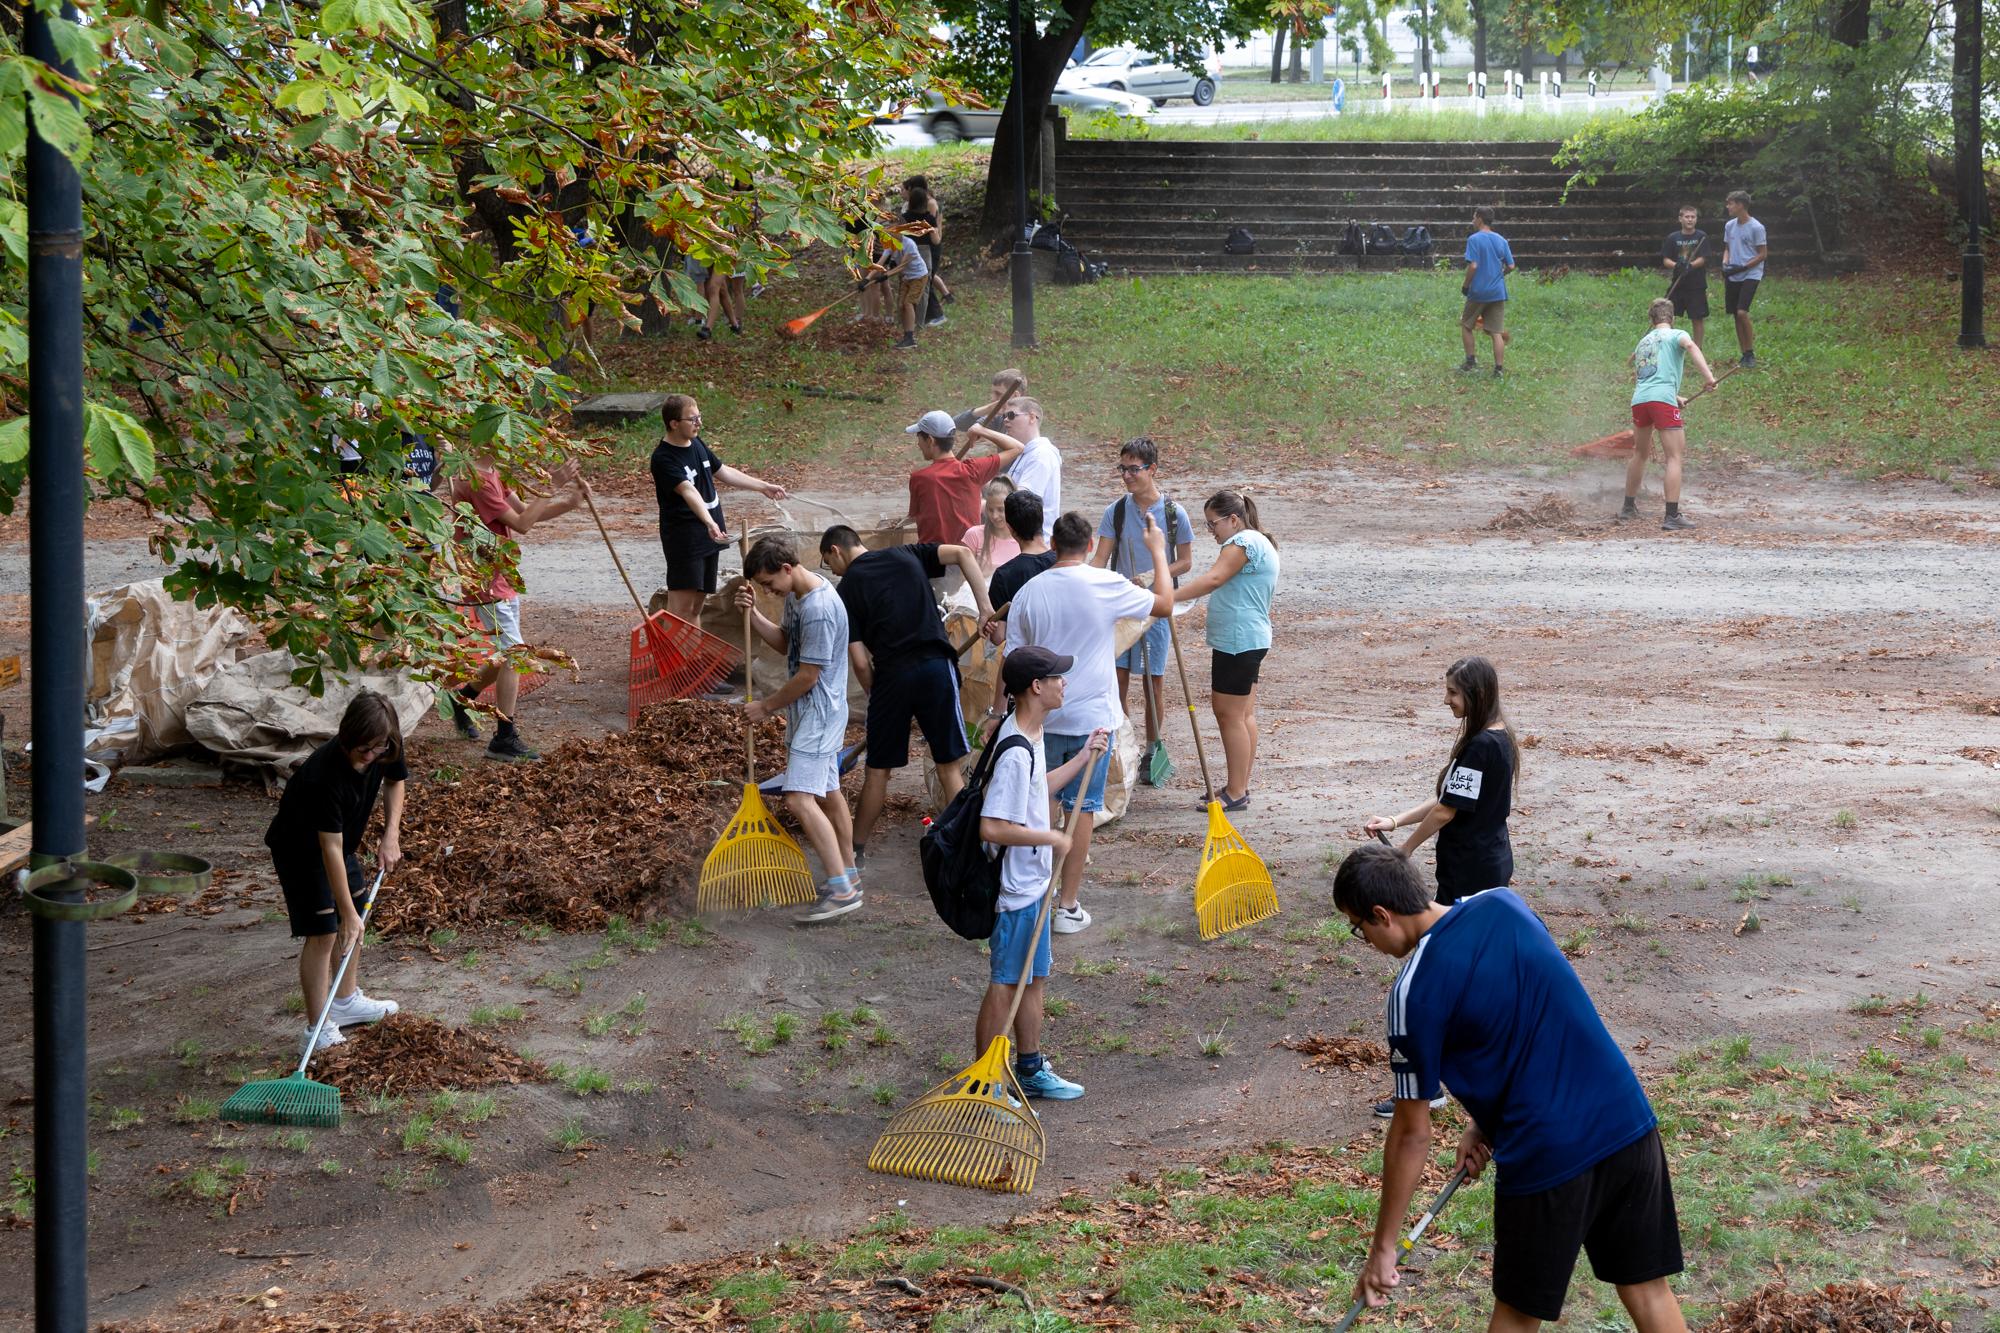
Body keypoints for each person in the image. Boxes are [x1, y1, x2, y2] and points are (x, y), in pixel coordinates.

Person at [1336, 844, 1687, 1333]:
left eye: (1358, 927)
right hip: (1626, 1122)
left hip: (1549, 1154)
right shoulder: (1505, 903)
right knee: (1648, 1290)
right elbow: (1529, 1014)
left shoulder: (1412, 993)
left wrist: (1382, 1249)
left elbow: (1412, 1133)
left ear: (1382, 914)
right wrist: (1485, 1121)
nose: (1364, 938)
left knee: (1518, 1318)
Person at [1005, 511, 1173, 934]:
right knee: (1081, 812)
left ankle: (1034, 896)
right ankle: (1068, 906)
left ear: (1052, 545)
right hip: (1092, 722)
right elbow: (1165, 605)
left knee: (1041, 803)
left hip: (1040, 717)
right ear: (1092, 547)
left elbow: (1013, 659)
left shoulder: (1028, 591)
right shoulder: (1106, 584)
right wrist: (1156, 550)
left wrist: (1000, 714)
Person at [977, 646, 1110, 1101]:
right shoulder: (1014, 748)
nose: (1064, 683)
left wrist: (1082, 759)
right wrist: (1051, 839)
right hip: (1015, 890)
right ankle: (984, 1085)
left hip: (1034, 885)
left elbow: (1037, 788)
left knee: (1033, 978)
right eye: (1058, 677)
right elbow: (992, 826)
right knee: (1006, 982)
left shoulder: (1030, 732)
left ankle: (1030, 1068)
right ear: (1037, 686)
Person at [821, 526, 994, 873]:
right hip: (935, 667)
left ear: (836, 550)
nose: (834, 572)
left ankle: (855, 853)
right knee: (948, 766)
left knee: (878, 771)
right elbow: (962, 554)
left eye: (829, 564)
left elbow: (859, 661)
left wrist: (880, 699)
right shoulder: (907, 553)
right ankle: (963, 851)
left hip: (890, 676)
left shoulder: (846, 590)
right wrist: (986, 608)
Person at [265, 692, 407, 1055]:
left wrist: (390, 836)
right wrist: (344, 915)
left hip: (339, 842)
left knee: (358, 911)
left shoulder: (385, 743)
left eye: (379, 747)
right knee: (326, 932)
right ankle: (316, 1030)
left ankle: (344, 1002)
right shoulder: (322, 777)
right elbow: (326, 849)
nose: (372, 755)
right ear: (347, 734)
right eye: (364, 748)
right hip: (300, 847)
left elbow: (395, 781)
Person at [737, 535, 862, 923]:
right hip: (814, 713)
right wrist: (755, 614)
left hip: (818, 715)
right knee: (827, 792)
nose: (767, 589)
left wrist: (767, 707)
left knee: (797, 799)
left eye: (768, 582)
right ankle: (851, 877)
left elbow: (808, 675)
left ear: (787, 569)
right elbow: (787, 645)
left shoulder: (820, 609)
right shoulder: (798, 598)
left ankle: (841, 891)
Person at [445, 454, 586, 762]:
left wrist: (569, 504)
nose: (515, 444)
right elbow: (521, 524)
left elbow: (526, 513)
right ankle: (504, 738)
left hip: (502, 575)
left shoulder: (494, 472)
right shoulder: (476, 480)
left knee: (506, 653)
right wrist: (552, 484)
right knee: (514, 653)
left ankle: (462, 698)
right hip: (485, 579)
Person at [1170, 490, 1278, 809]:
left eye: (1212, 524)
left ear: (1233, 520)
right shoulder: (1258, 541)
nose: (1211, 531)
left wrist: (1166, 597)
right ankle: (1238, 784)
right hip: (1248, 637)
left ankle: (1236, 793)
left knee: (1228, 714)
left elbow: (1214, 578)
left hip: (1238, 639)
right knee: (1243, 715)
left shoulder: (1242, 542)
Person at [1089, 438, 1194, 754]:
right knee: (1117, 681)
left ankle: (1151, 750)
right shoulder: (1117, 511)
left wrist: (1150, 576)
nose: (1126, 475)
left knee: (1153, 684)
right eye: (1123, 468)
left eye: (1134, 469)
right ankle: (1121, 745)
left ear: (1153, 469)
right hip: (1120, 608)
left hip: (1157, 608)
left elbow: (1186, 562)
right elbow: (1100, 559)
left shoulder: (1174, 513)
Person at [650, 395, 789, 627]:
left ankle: (691, 663)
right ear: (674, 423)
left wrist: (763, 486)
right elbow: (689, 491)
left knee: (696, 609)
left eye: (699, 417)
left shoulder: (696, 443)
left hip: (709, 537)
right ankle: (672, 663)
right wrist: (708, 521)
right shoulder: (663, 458)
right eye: (693, 419)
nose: (699, 423)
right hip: (686, 540)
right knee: (679, 613)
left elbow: (723, 471)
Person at [1617, 298, 1718, 531]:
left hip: (1640, 400)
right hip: (1661, 400)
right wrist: (1708, 377)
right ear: (1672, 319)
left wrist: (1675, 397)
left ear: (1651, 320)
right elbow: (1692, 347)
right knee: (1674, 458)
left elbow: (1644, 376)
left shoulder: (1643, 342)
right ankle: (1672, 516)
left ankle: (1628, 508)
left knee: (1640, 454)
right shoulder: (1676, 334)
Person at [905, 409, 1023, 546]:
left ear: (930, 440)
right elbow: (1017, 447)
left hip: (932, 557)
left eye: (919, 438)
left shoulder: (919, 478)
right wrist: (981, 431)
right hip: (969, 558)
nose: (918, 444)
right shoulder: (974, 470)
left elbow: (913, 515)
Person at [965, 398, 1059, 540]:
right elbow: (1005, 490)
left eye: (1011, 415)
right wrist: (972, 473)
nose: (1005, 420)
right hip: (1021, 542)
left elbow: (1019, 500)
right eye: (1004, 416)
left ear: (1031, 417)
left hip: (1037, 546)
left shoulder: (1041, 454)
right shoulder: (1026, 453)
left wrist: (973, 508)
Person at [1459, 205, 1516, 377]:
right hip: (1498, 292)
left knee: (1466, 324)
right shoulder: (1501, 240)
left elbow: (1473, 265)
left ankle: (1470, 362)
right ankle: (1498, 370)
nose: (1473, 221)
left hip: (1479, 291)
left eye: (1474, 217)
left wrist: (1466, 285)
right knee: (1496, 331)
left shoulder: (1474, 239)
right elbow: (1511, 266)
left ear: (1480, 220)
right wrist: (1500, 275)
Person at [1720, 190, 1767, 368]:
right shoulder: (1729, 226)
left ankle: (1751, 352)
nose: (1728, 207)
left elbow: (1763, 254)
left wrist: (1744, 266)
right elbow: (1728, 248)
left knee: (1742, 312)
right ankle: (1744, 355)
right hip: (1733, 274)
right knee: (1735, 315)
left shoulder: (1757, 227)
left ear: (1740, 205)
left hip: (1750, 274)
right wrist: (1725, 264)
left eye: (1730, 203)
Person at [866, 224, 930, 352]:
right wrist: (867, 279)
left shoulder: (909, 244)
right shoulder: (890, 244)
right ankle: (906, 335)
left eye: (891, 232)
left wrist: (885, 276)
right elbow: (879, 264)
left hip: (919, 276)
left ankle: (910, 338)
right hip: (907, 277)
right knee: (901, 306)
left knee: (908, 304)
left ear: (900, 232)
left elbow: (901, 266)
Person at [1659, 205, 1710, 350]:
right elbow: (1666, 260)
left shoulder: (1701, 236)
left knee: (1697, 317)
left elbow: (1702, 259)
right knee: (1667, 314)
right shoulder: (1673, 237)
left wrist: (1691, 265)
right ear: (1680, 218)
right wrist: (1677, 265)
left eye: (1693, 217)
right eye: (1687, 217)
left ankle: (1698, 349)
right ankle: (1668, 345)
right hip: (1678, 284)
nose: (1690, 220)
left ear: (1696, 219)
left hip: (1696, 284)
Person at [903, 179, 952, 327]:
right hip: (923, 248)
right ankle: (923, 317)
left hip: (928, 248)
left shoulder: (929, 206)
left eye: (906, 189)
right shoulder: (921, 214)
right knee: (924, 282)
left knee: (925, 282)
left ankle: (937, 314)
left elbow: (934, 236)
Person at [962, 475, 1020, 577]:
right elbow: (962, 580)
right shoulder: (973, 535)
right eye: (990, 510)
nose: (994, 516)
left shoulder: (1024, 539)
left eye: (1000, 510)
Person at [952, 368, 1026, 436]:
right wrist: (988, 408)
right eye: (993, 393)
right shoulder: (1001, 419)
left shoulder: (1027, 423)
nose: (993, 399)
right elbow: (956, 424)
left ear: (1015, 396)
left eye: (998, 394)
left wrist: (986, 433)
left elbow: (1015, 447)